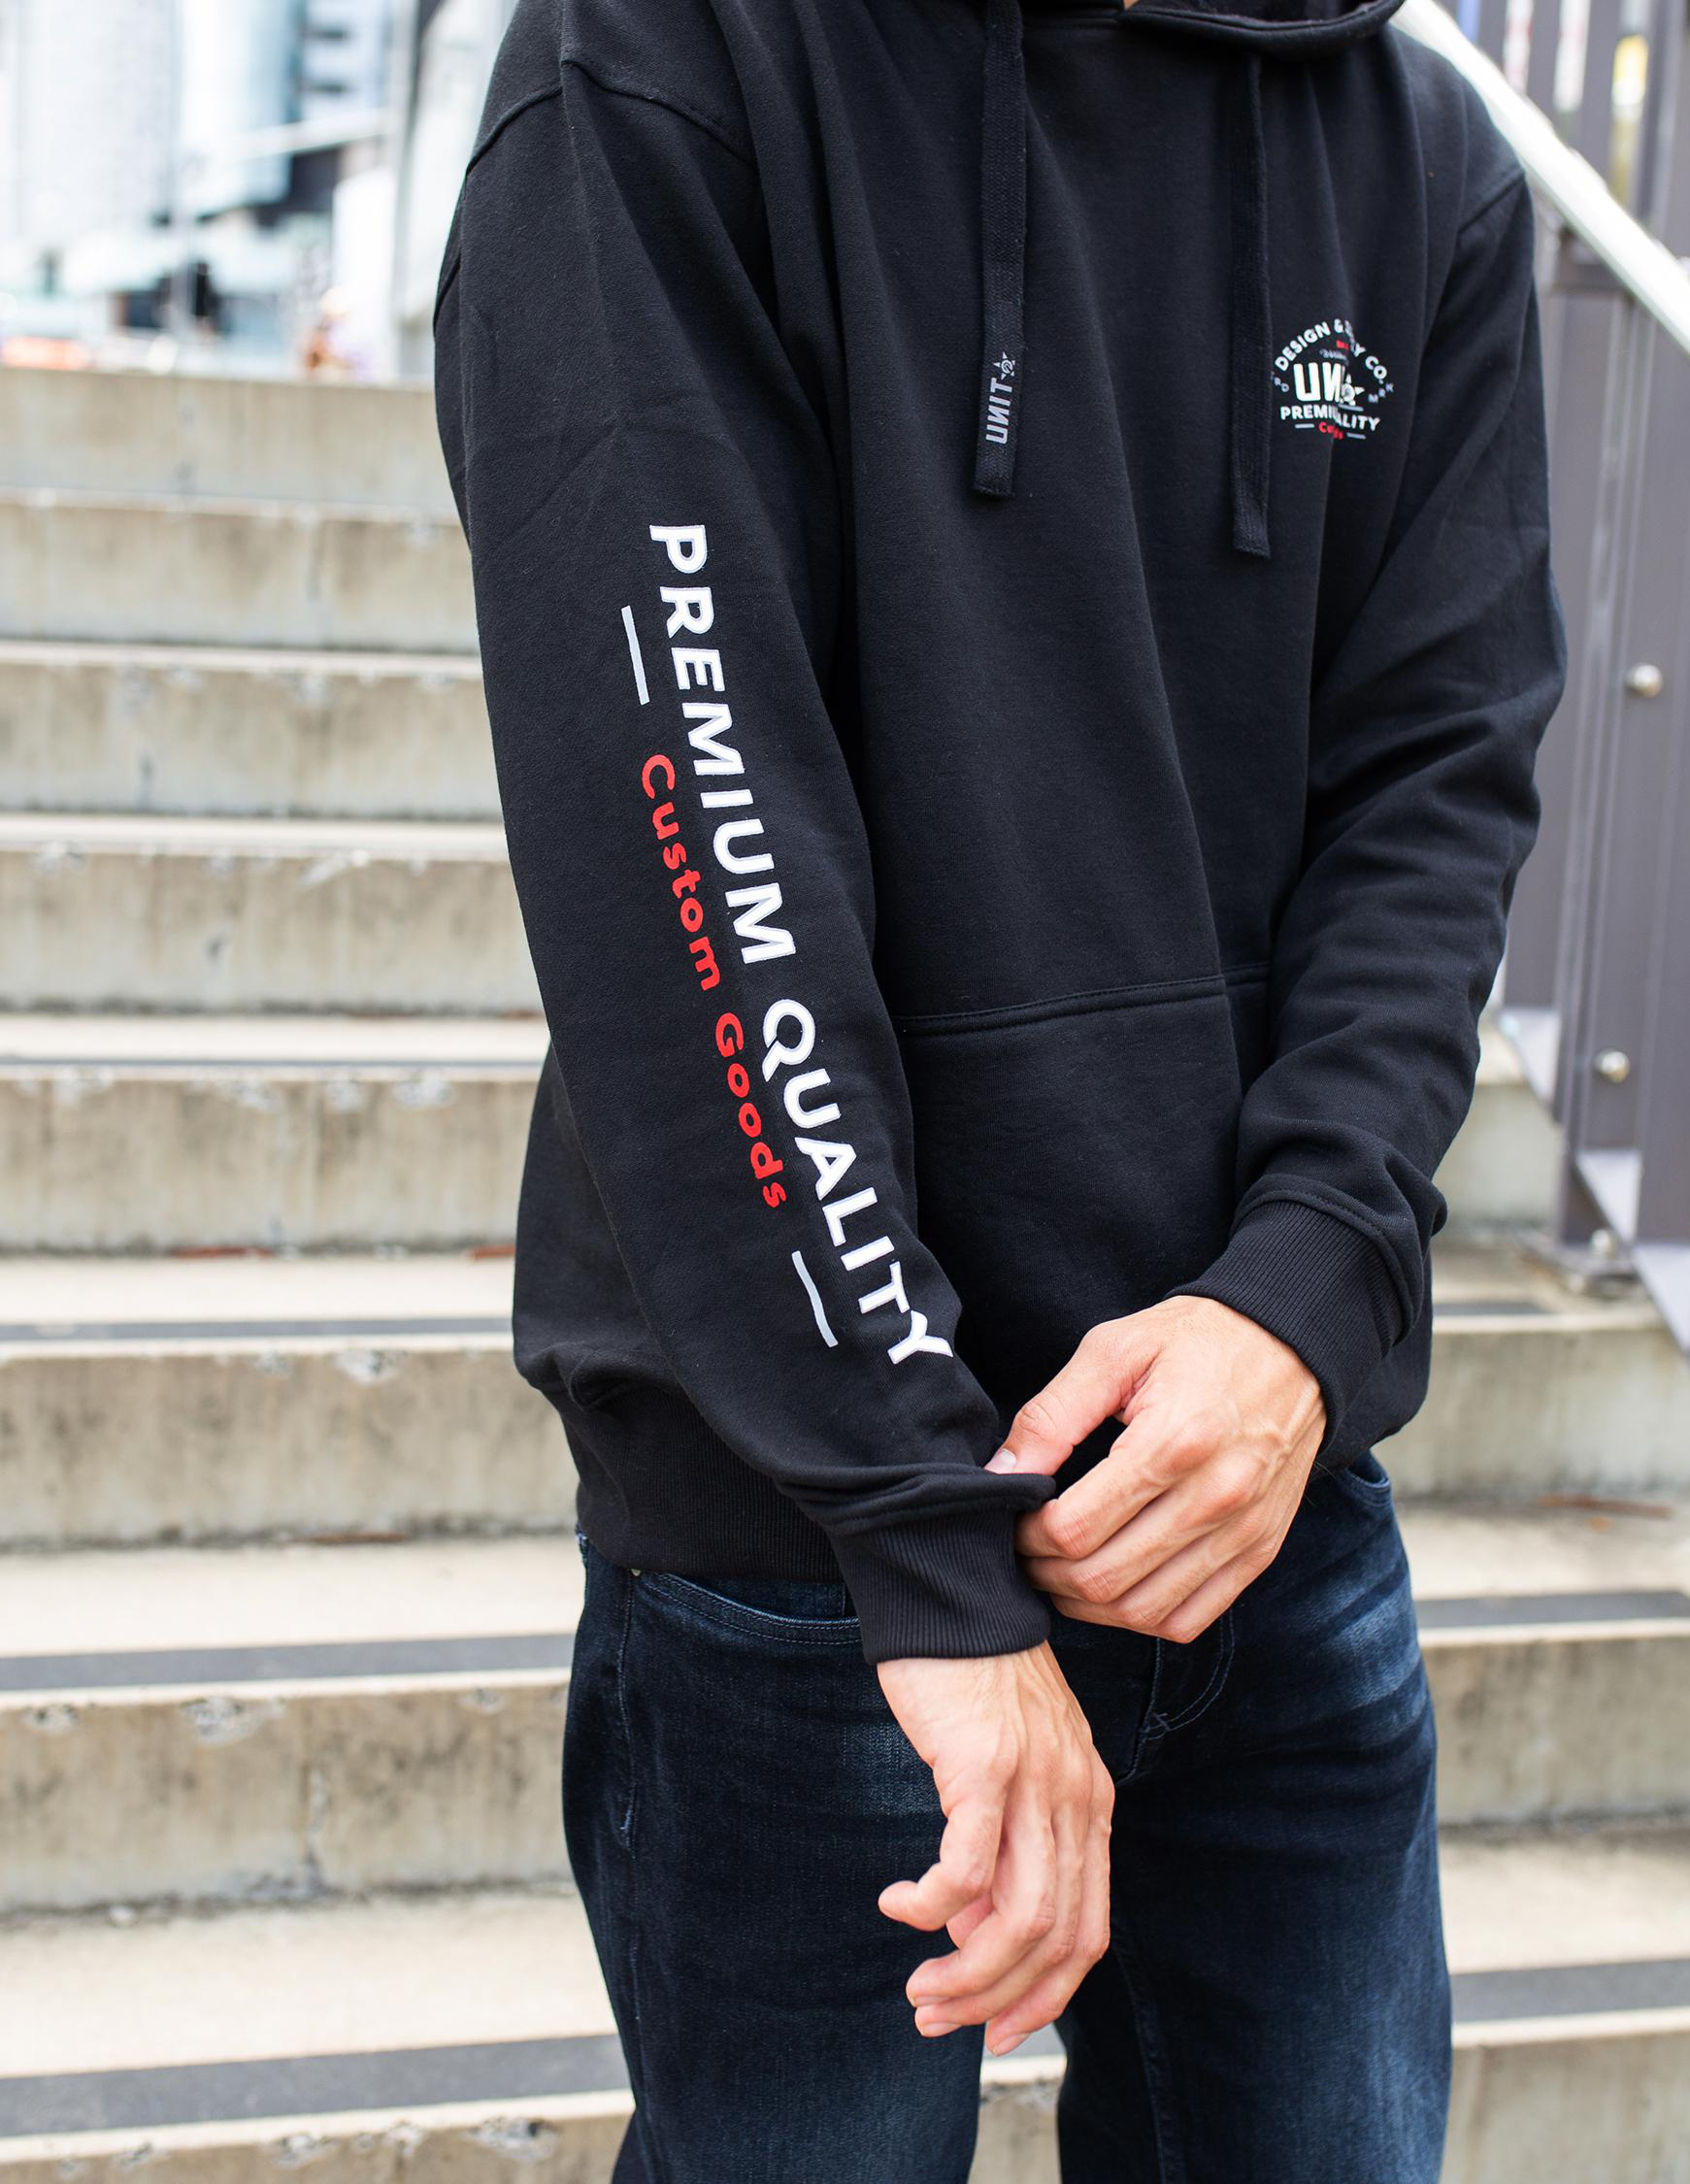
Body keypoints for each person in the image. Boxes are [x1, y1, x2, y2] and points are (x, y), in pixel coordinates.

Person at [432, 0, 1565, 2175]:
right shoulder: (664, 54)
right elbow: (690, 821)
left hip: (1250, 1486)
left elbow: (1438, 778)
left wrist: (1300, 1302)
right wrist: (914, 1541)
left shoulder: (1419, 145)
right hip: (805, 1537)